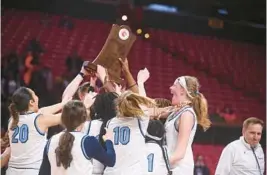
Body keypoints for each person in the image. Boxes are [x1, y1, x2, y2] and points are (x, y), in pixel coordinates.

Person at [39, 100, 116, 175]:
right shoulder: (87, 141)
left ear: (62, 118)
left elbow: (43, 172)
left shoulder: (51, 140)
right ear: (84, 119)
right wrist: (108, 141)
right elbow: (110, 161)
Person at [6, 87, 68, 175]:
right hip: (32, 170)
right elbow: (69, 116)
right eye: (34, 94)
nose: (37, 97)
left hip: (12, 171)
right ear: (31, 102)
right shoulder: (38, 119)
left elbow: (42, 111)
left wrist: (63, 104)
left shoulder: (12, 120)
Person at [162, 76, 211, 175]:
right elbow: (149, 111)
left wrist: (158, 165)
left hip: (178, 169)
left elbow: (179, 154)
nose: (170, 88)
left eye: (174, 85)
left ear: (182, 91)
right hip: (171, 166)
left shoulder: (187, 114)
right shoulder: (175, 111)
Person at [104, 91, 155, 175]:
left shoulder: (110, 123)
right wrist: (140, 82)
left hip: (111, 172)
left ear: (117, 106)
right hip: (132, 171)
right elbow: (144, 107)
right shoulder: (140, 120)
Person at [82, 92, 118, 175]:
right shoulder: (120, 125)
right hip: (117, 170)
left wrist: (85, 107)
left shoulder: (89, 125)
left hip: (92, 171)